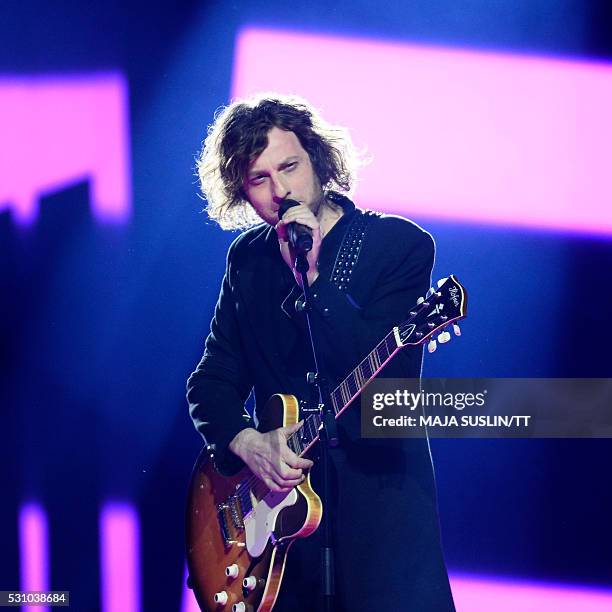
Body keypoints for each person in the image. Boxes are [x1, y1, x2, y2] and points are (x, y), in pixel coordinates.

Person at [187, 93, 455, 611]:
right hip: (281, 541)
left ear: (318, 160)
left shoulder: (396, 245)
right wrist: (247, 442)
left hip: (381, 519)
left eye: (289, 167)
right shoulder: (248, 261)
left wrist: (311, 273)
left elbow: (389, 397)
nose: (280, 189)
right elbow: (211, 380)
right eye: (259, 179)